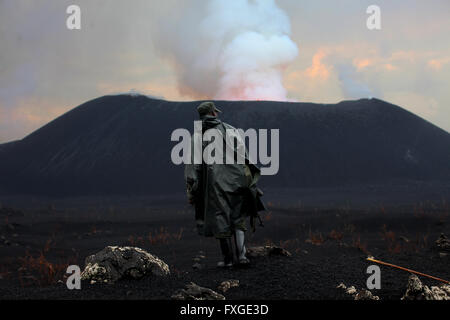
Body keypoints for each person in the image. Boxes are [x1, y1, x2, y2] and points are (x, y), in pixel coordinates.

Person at [184, 101, 265, 268]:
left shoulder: (197, 137)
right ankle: (242, 256)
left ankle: (228, 260)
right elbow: (244, 155)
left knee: (220, 218)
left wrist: (192, 191)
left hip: (215, 186)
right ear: (214, 113)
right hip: (238, 181)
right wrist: (248, 179)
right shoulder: (230, 130)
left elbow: (193, 166)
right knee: (238, 217)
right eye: (216, 112)